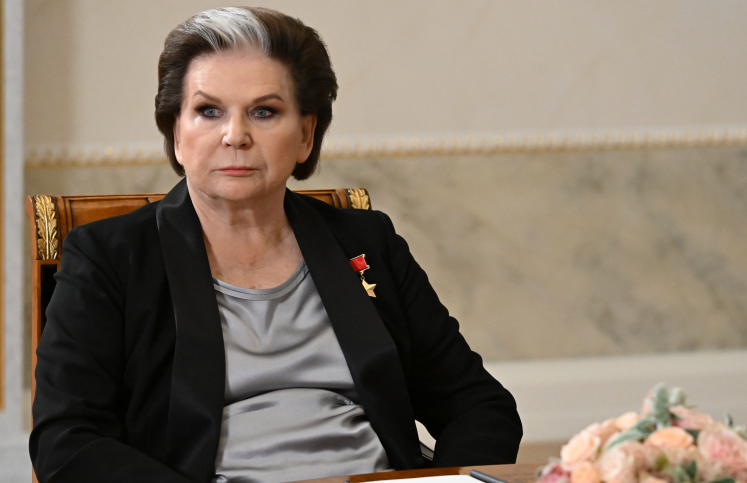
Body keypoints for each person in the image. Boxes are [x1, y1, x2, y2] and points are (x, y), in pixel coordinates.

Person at [29, 7, 522, 483]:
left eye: (264, 111)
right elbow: (68, 440)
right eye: (208, 111)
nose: (235, 135)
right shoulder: (109, 257)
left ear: (306, 134)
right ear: (176, 132)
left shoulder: (367, 241)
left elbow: (478, 404)